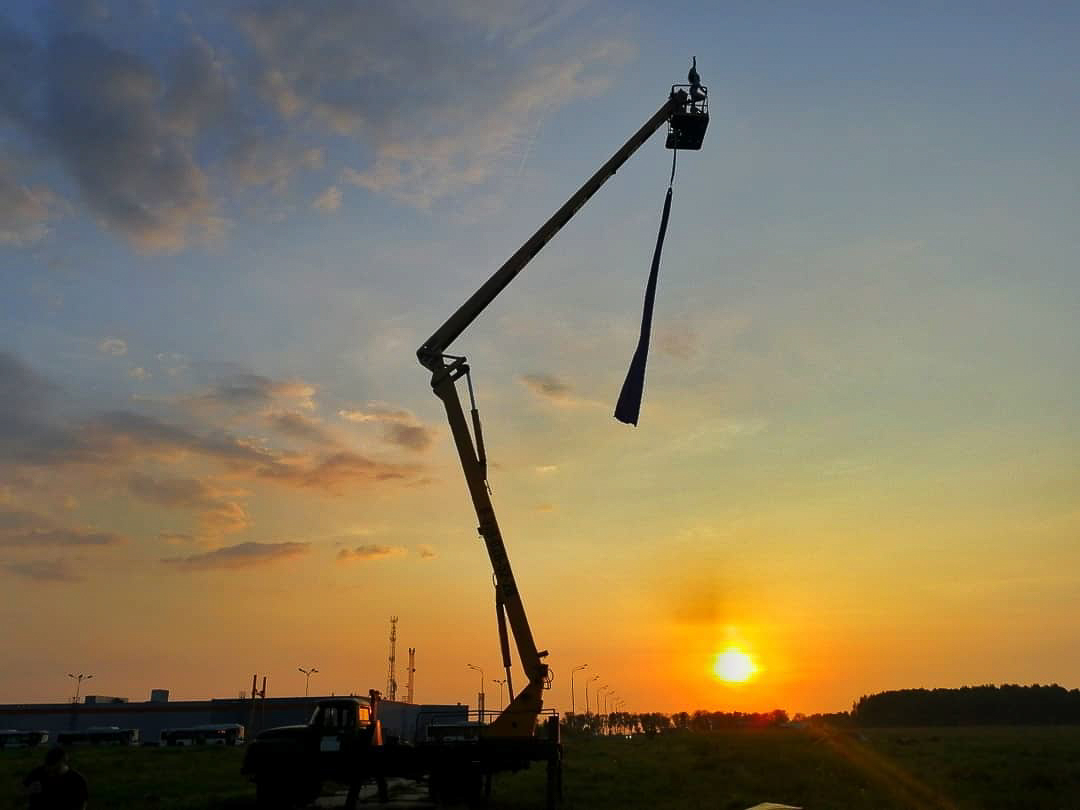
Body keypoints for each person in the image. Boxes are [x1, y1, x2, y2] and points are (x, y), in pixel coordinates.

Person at [22, 747, 88, 810]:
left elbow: (82, 803)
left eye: (55, 769)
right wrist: (29, 790)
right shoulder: (37, 773)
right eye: (47, 767)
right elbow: (21, 790)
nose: (50, 772)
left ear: (64, 762)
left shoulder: (76, 779)